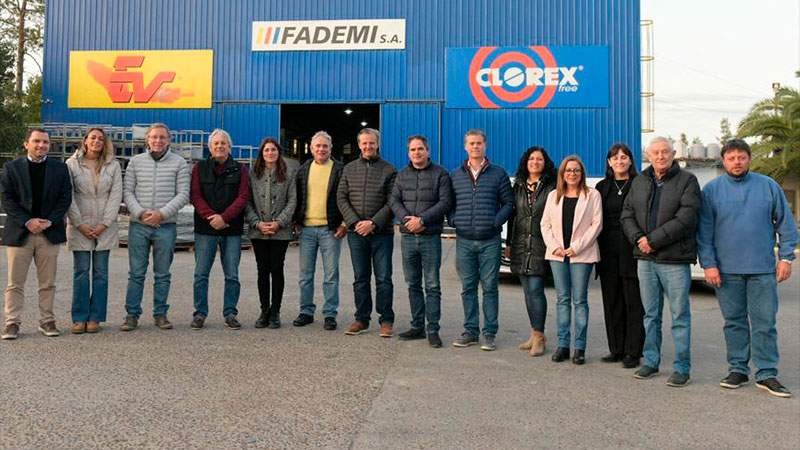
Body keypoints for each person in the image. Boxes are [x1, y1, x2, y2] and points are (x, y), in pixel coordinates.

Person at [697, 139, 798, 398]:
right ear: (724, 161)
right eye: (731, 158)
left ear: (749, 158)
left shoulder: (768, 186)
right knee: (734, 322)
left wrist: (785, 259)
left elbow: (787, 226)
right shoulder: (712, 190)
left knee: (765, 323)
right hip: (726, 270)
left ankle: (766, 373)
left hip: (762, 270)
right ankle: (738, 369)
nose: (737, 162)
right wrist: (709, 264)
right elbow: (704, 232)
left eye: (741, 157)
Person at [621, 136, 700, 387]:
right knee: (650, 316)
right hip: (645, 260)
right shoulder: (639, 181)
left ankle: (682, 368)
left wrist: (653, 241)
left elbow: (686, 218)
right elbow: (627, 214)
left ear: (673, 154)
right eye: (655, 152)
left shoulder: (687, 180)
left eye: (665, 152)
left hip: (674, 260)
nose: (660, 156)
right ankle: (651, 361)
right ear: (648, 155)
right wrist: (639, 239)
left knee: (679, 317)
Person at [1, 128, 72, 340]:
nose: (41, 145)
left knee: (48, 282)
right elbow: (7, 199)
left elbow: (65, 198)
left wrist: (49, 221)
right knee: (15, 283)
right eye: (37, 141)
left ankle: (47, 321)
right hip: (20, 233)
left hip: (49, 233)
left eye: (45, 142)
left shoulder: (60, 169)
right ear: (26, 144)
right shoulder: (12, 168)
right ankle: (12, 323)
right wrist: (28, 221)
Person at [121, 122, 190, 331]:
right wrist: (141, 213)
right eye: (154, 137)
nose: (158, 140)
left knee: (162, 274)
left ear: (169, 140)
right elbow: (127, 191)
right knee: (136, 273)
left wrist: (162, 214)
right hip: (138, 225)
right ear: (147, 140)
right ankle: (132, 314)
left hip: (165, 226)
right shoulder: (135, 162)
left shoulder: (179, 163)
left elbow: (183, 194)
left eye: (162, 137)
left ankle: (160, 314)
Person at [448, 129, 513, 351]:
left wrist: (495, 222)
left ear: (485, 145)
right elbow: (449, 203)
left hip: (490, 240)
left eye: (479, 143)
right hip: (464, 240)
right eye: (471, 143)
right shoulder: (456, 175)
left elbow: (508, 203)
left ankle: (489, 334)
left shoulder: (498, 173)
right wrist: (454, 220)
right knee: (468, 288)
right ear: (465, 147)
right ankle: (470, 332)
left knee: (490, 288)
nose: (475, 146)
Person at [389, 135, 452, 348]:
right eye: (413, 150)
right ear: (408, 153)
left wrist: (422, 220)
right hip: (408, 237)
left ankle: (433, 329)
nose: (417, 152)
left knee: (432, 285)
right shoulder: (402, 175)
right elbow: (394, 200)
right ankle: (417, 326)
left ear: (428, 151)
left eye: (420, 149)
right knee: (413, 284)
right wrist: (407, 220)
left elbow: (445, 202)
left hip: (430, 236)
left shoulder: (441, 174)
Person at [541, 155, 602, 364]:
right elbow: (545, 224)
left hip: (582, 255)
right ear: (562, 174)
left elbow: (596, 225)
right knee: (562, 299)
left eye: (576, 170)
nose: (572, 174)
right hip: (557, 255)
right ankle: (563, 345)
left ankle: (580, 347)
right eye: (568, 170)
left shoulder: (592, 195)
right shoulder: (553, 196)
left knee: (580, 300)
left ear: (582, 173)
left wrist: (576, 247)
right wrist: (555, 247)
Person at [337, 128, 397, 337]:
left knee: (384, 278)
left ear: (377, 144)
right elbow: (341, 197)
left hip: (382, 233)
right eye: (364, 143)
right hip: (357, 234)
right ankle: (361, 319)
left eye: (371, 143)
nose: (368, 146)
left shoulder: (389, 169)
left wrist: (373, 223)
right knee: (360, 278)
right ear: (359, 145)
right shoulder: (349, 169)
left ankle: (386, 320)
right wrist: (355, 223)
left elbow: (392, 201)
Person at [190, 129, 250, 330]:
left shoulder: (240, 169)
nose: (219, 146)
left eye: (223, 143)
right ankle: (200, 313)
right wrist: (211, 217)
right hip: (205, 229)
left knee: (232, 275)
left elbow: (243, 197)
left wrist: (224, 218)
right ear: (210, 147)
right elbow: (195, 195)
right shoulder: (199, 168)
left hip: (231, 229)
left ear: (230, 146)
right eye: (215, 143)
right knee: (201, 274)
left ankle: (230, 313)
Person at [65, 128, 123, 334]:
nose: (96, 141)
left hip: (104, 227)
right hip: (80, 225)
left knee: (101, 273)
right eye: (93, 137)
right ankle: (79, 317)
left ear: (105, 142)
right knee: (81, 272)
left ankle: (96, 317)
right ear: (85, 141)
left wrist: (104, 224)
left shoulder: (113, 165)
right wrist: (79, 223)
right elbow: (68, 195)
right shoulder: (71, 164)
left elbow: (116, 196)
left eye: (100, 138)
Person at [595, 143, 645, 368]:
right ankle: (616, 348)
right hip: (607, 251)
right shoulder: (602, 187)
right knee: (612, 300)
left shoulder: (640, 184)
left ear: (630, 160)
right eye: (615, 158)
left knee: (633, 302)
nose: (619, 161)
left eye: (624, 157)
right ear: (609, 162)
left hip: (632, 249)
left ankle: (633, 352)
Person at [505, 146, 557, 357]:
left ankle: (540, 336)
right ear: (525, 163)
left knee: (536, 289)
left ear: (545, 163)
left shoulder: (552, 186)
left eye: (539, 159)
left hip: (540, 243)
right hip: (520, 243)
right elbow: (513, 216)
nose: (535, 162)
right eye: (531, 159)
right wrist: (509, 243)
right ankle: (535, 334)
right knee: (527, 291)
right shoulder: (518, 185)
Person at [292, 131, 346, 331]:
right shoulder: (303, 169)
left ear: (330, 149)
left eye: (325, 146)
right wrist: (296, 220)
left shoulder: (340, 170)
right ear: (312, 148)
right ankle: (306, 311)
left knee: (331, 275)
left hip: (330, 230)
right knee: (305, 274)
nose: (321, 149)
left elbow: (346, 197)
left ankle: (330, 314)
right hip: (307, 229)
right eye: (318, 146)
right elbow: (297, 196)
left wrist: (344, 224)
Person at [246, 137, 296, 329]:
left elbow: (292, 201)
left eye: (273, 150)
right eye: (266, 150)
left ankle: (275, 311)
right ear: (262, 153)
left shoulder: (288, 173)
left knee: (277, 269)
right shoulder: (253, 174)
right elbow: (247, 201)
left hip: (280, 232)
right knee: (262, 269)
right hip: (258, 230)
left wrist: (279, 223)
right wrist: (256, 222)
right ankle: (264, 310)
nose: (270, 153)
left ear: (278, 152)